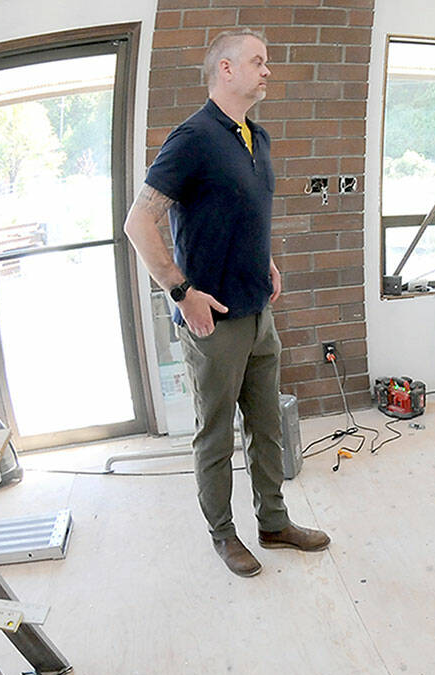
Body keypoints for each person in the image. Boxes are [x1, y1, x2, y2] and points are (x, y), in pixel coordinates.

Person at [124, 28, 330, 577]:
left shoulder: (256, 138)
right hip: (213, 321)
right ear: (226, 70)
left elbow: (241, 211)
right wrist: (180, 290)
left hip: (259, 312)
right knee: (215, 436)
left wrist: (262, 258)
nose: (268, 71)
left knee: (267, 428)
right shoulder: (191, 138)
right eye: (258, 61)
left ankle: (274, 521)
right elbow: (138, 221)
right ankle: (223, 533)